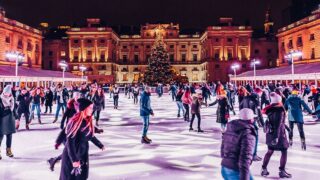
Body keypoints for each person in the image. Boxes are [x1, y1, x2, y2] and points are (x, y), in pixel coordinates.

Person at [59, 98, 105, 180]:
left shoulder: (86, 121)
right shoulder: (74, 122)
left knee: (81, 177)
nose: (92, 110)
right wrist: (74, 160)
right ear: (84, 108)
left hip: (82, 155)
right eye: (90, 108)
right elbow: (70, 143)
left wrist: (99, 145)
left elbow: (89, 135)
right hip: (72, 156)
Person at [261, 92, 292, 178]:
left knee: (270, 151)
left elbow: (277, 122)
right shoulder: (280, 109)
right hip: (279, 135)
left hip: (270, 133)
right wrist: (276, 137)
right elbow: (278, 124)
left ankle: (264, 169)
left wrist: (287, 127)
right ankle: (282, 171)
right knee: (284, 151)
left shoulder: (269, 109)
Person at [221, 108, 256, 180]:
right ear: (251, 120)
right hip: (236, 170)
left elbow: (223, 148)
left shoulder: (230, 127)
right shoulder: (248, 134)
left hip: (225, 167)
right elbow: (245, 158)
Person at [240, 88, 264, 161]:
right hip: (251, 120)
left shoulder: (245, 98)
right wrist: (262, 124)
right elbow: (259, 112)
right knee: (255, 137)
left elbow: (240, 107)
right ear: (259, 93)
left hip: (243, 120)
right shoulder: (256, 100)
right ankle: (253, 154)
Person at [0, 85, 16, 159]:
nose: (6, 95)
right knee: (0, 135)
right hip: (2, 118)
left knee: (9, 135)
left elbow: (14, 109)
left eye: (7, 94)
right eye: (5, 94)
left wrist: (17, 117)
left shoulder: (12, 99)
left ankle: (8, 150)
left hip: (10, 118)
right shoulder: (0, 99)